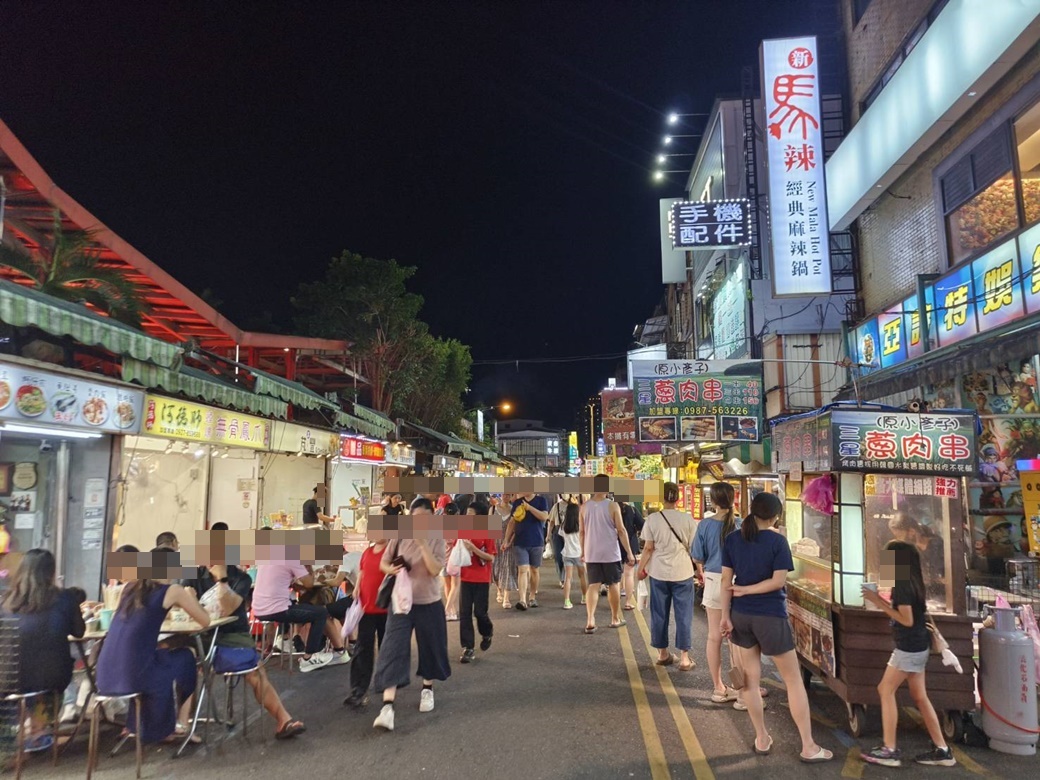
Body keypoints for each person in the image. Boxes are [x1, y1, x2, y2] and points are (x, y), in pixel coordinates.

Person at [720, 493, 832, 763]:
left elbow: (725, 581)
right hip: (770, 616)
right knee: (793, 681)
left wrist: (726, 614)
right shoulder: (778, 541)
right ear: (776, 516)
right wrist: (748, 590)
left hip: (741, 616)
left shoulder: (733, 539)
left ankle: (761, 738)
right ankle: (808, 746)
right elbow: (778, 582)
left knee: (750, 681)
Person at [95, 548, 211, 744]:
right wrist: (189, 597)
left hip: (104, 675)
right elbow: (205, 621)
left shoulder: (131, 588)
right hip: (134, 675)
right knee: (187, 656)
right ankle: (181, 725)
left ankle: (140, 724)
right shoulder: (174, 591)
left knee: (163, 655)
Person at [860, 542, 956, 768]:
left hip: (908, 648)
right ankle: (942, 750)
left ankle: (889, 749)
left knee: (885, 689)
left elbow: (907, 620)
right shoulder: (911, 581)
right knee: (920, 697)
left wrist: (877, 601)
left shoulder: (903, 585)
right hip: (917, 645)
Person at [198, 562, 306, 739]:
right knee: (180, 662)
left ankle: (283, 720)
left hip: (233, 636)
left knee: (254, 672)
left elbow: (227, 608)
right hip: (198, 636)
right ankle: (179, 724)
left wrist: (222, 581)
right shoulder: (192, 574)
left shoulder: (241, 578)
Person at [372, 497, 450, 732]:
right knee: (392, 648)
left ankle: (427, 688)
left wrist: (423, 544)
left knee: (431, 647)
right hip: (402, 602)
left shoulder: (437, 536)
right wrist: (392, 568)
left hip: (429, 601)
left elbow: (435, 569)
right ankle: (387, 707)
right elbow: (383, 563)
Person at [0, 549, 85, 752]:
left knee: (20, 676)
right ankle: (40, 730)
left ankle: (18, 736)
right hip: (52, 678)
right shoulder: (64, 598)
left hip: (7, 679)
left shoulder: (6, 600)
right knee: (49, 673)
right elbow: (79, 632)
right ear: (51, 573)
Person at [251, 534, 350, 672]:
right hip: (278, 609)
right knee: (321, 612)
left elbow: (294, 584)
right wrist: (307, 565)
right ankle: (309, 657)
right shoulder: (293, 559)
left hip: (258, 609)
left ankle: (291, 640)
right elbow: (309, 583)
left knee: (309, 608)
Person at [637, 483, 696, 670]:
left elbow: (648, 547)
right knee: (684, 614)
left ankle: (663, 653)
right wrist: (700, 571)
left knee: (659, 613)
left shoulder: (653, 519)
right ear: (678, 498)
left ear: (661, 498)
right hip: (683, 572)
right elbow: (694, 549)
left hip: (659, 573)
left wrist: (640, 568)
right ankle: (685, 658)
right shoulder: (687, 519)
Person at [580, 476, 634, 634]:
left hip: (592, 552)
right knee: (613, 585)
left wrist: (583, 552)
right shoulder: (612, 506)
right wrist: (630, 553)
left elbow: (582, 532)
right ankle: (614, 618)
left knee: (593, 585)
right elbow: (621, 530)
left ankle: (590, 619)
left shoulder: (584, 507)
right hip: (610, 552)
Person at [344, 538, 390, 709]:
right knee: (363, 649)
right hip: (366, 609)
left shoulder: (392, 551)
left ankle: (387, 685)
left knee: (387, 649)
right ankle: (358, 690)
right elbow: (362, 572)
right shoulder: (367, 553)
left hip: (387, 610)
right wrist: (357, 588)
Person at [458, 501, 496, 664]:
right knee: (465, 613)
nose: (467, 516)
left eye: (470, 513)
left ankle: (487, 632)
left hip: (481, 579)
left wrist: (473, 548)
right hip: (465, 578)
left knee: (480, 612)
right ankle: (468, 647)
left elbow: (491, 557)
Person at [502, 491, 549, 610]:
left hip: (537, 541)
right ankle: (522, 599)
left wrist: (530, 508)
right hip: (520, 541)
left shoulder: (541, 500)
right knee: (522, 570)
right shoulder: (517, 502)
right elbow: (512, 522)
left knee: (534, 570)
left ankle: (532, 596)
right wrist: (506, 540)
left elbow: (544, 516)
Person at [559, 501, 587, 609]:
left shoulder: (563, 526)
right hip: (579, 554)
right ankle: (584, 597)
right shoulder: (581, 525)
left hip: (567, 553)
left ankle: (567, 601)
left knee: (568, 578)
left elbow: (562, 537)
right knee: (582, 576)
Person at [492, 494, 518, 609]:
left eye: (508, 494)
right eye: (504, 494)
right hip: (494, 542)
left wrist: (508, 542)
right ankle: (499, 590)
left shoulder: (515, 510)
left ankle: (506, 597)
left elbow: (515, 529)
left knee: (508, 567)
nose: (506, 496)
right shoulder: (493, 509)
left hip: (509, 543)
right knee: (496, 568)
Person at [619, 500, 644, 611]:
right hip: (631, 543)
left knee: (616, 574)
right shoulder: (632, 510)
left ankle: (614, 600)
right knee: (629, 574)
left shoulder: (611, 508)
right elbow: (642, 525)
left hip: (614, 545)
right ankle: (628, 602)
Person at [546, 495, 571, 588]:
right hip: (557, 532)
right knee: (558, 556)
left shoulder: (573, 506)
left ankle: (566, 578)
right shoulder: (556, 506)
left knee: (567, 556)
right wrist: (548, 535)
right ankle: (561, 577)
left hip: (570, 533)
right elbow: (551, 521)